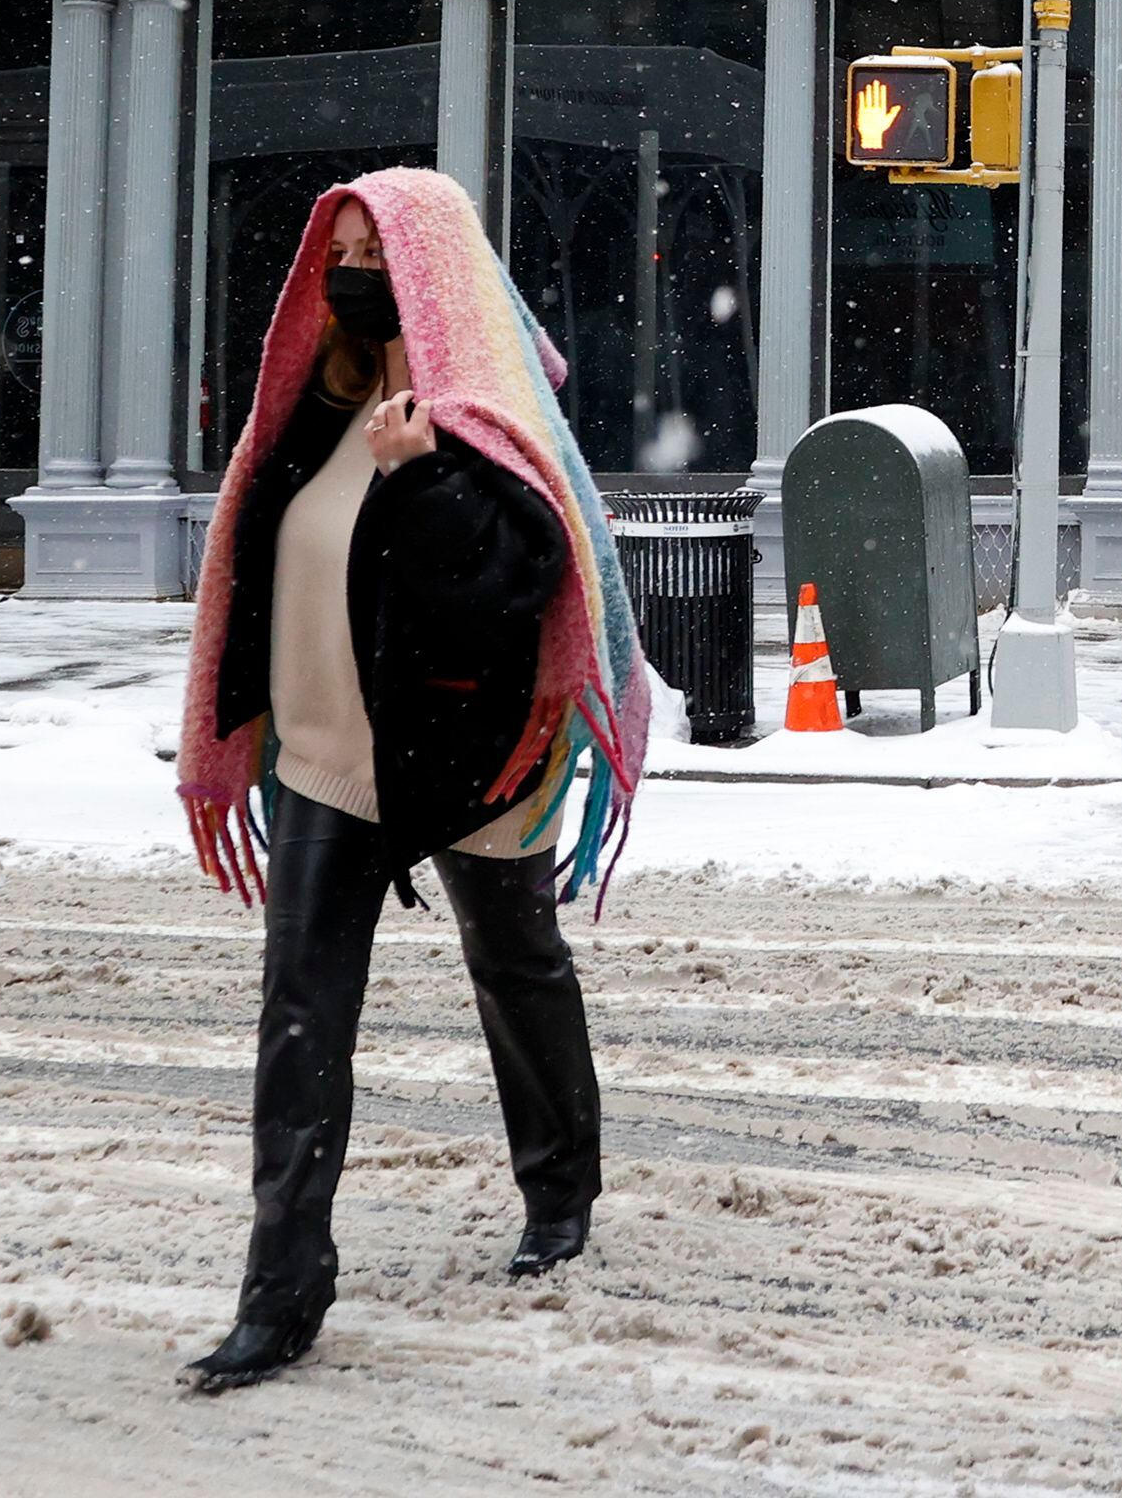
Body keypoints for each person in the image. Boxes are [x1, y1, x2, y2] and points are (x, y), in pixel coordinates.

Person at [171, 167, 651, 1394]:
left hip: (466, 757)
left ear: (429, 270)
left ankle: (559, 1190)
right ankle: (281, 1291)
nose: (353, 275)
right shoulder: (313, 412)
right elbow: (256, 570)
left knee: (515, 962)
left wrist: (423, 477)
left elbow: (518, 579)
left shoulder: (481, 419)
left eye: (376, 255)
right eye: (336, 251)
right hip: (329, 761)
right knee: (299, 1018)